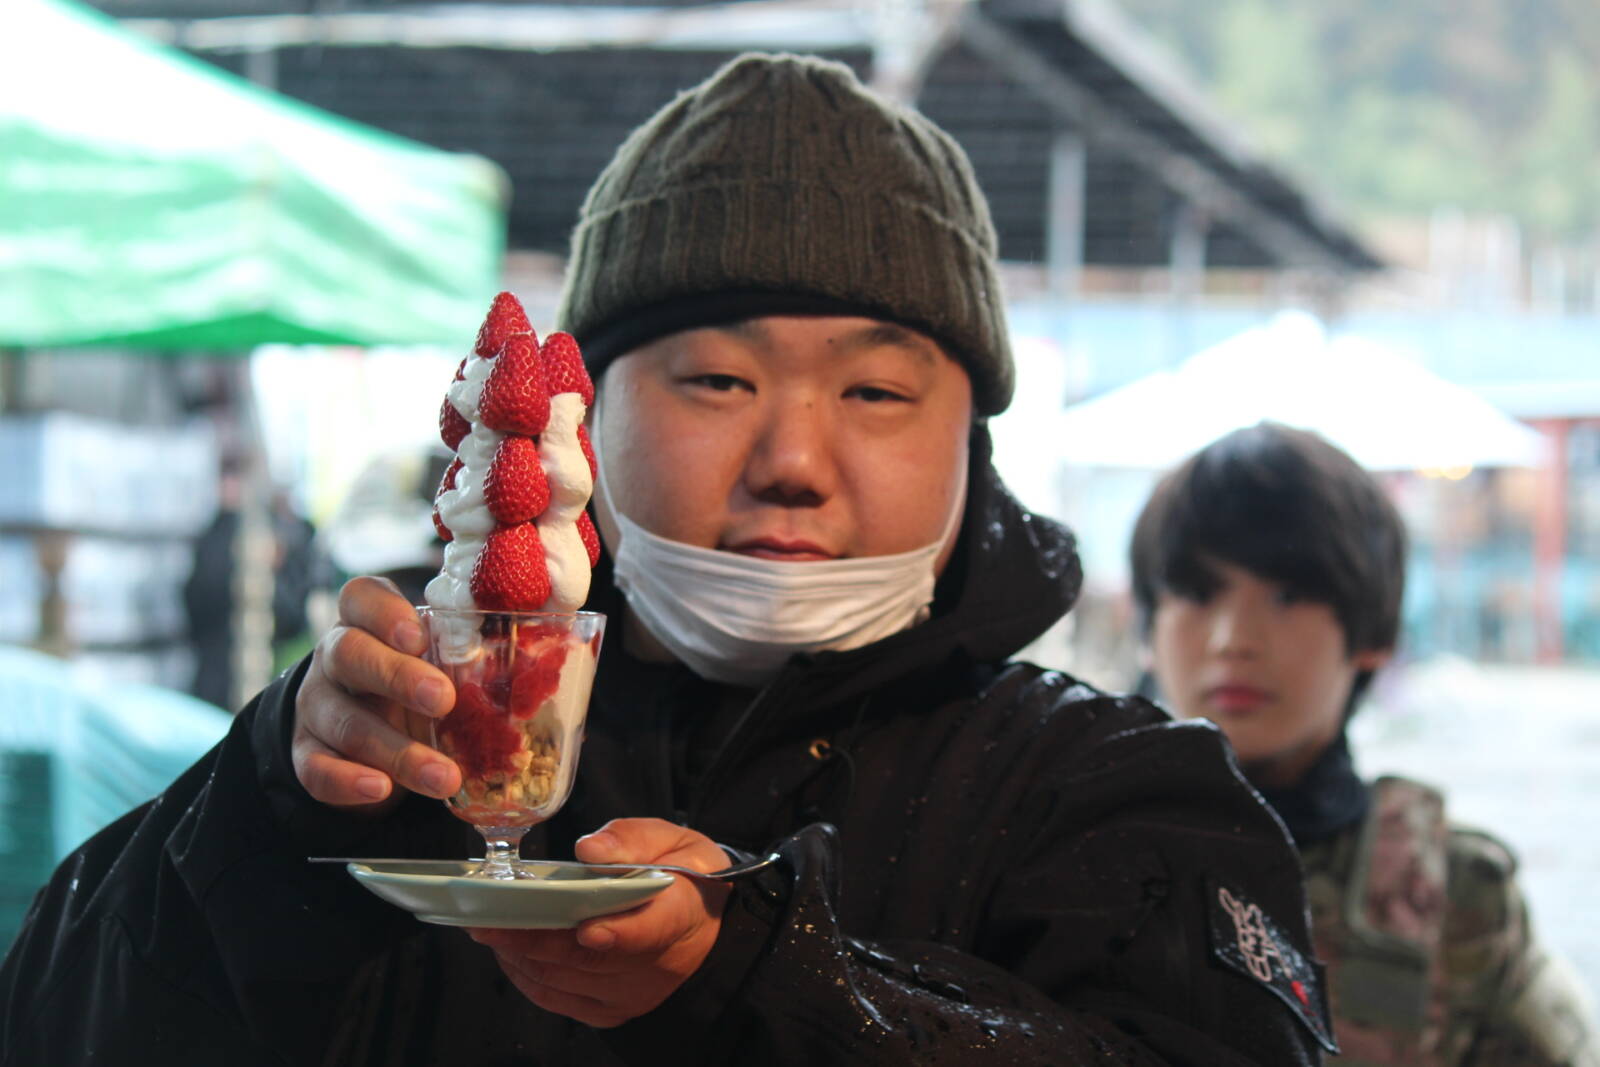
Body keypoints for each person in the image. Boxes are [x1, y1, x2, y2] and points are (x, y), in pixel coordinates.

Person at [2, 55, 1331, 1065]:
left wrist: (776, 975)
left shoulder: (1119, 796)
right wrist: (269, 803)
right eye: (716, 379)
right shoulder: (414, 740)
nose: (793, 459)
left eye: (874, 393)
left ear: (971, 446)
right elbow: (53, 1021)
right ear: (583, 416)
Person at [1129, 421, 1600, 1066]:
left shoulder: (1450, 894)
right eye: (1197, 593)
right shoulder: (1073, 861)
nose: (1232, 639)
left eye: (1287, 596)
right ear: (1148, 629)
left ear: (1372, 634)